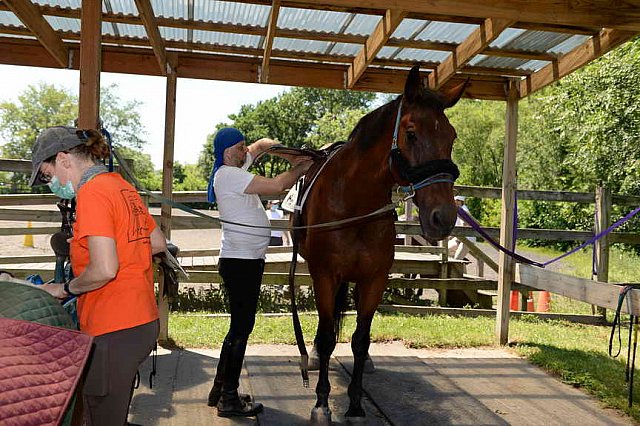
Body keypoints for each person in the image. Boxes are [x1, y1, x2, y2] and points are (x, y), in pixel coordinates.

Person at [30, 126, 167, 426]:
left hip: (113, 326)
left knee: (98, 417)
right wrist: (88, 245)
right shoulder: (120, 185)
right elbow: (156, 242)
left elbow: (105, 269)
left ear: (64, 160)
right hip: (141, 320)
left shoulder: (91, 193)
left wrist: (65, 288)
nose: (50, 183)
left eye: (46, 174)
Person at [206, 127, 312, 417]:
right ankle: (228, 397)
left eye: (244, 148)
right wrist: (303, 168)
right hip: (241, 263)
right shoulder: (229, 175)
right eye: (240, 148)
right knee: (241, 329)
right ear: (229, 152)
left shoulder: (234, 165)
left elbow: (263, 144)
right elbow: (278, 185)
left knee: (238, 328)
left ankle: (221, 388)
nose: (245, 152)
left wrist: (292, 154)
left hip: (246, 260)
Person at [448, 195, 476, 259]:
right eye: (455, 200)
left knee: (457, 259)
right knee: (446, 250)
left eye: (458, 201)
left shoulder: (464, 210)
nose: (456, 202)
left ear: (462, 202)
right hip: (459, 238)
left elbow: (464, 225)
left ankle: (456, 266)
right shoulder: (456, 210)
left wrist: (452, 234)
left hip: (467, 240)